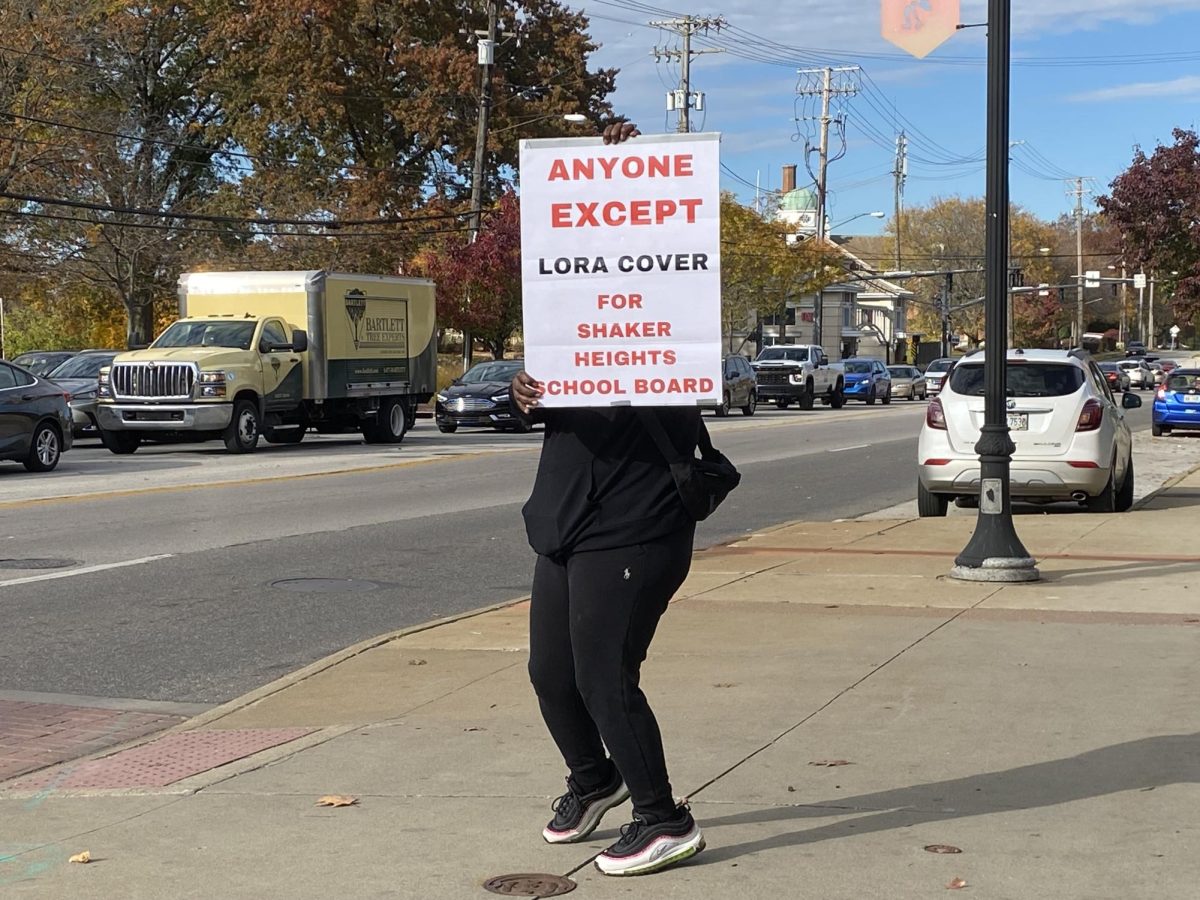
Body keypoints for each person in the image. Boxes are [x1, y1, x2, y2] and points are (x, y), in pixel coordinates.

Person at [510, 121, 706, 878]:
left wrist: (627, 172)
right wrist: (528, 389)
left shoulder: (670, 328)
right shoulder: (567, 324)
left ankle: (663, 818)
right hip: (565, 517)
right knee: (549, 674)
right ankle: (596, 781)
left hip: (639, 519)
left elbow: (669, 234)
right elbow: (552, 399)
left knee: (603, 676)